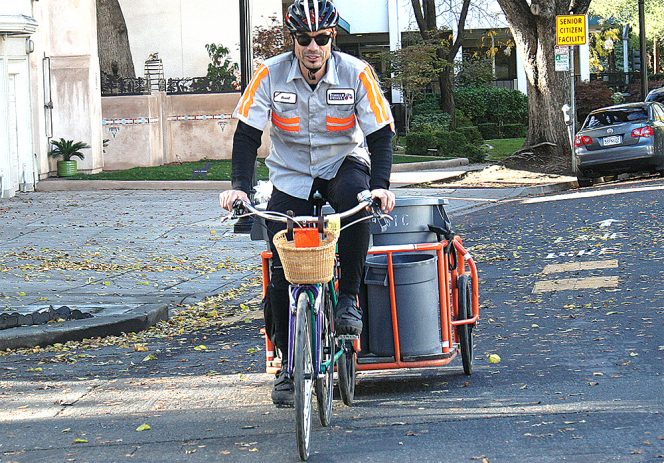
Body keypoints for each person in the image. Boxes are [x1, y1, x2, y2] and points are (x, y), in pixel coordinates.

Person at [219, 0, 395, 407]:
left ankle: (348, 299)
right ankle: (286, 363)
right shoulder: (269, 74)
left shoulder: (357, 73)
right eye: (304, 39)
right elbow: (246, 136)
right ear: (293, 40)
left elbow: (381, 135)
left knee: (358, 203)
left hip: (341, 164)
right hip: (291, 173)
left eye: (321, 38)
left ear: (332, 38)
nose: (312, 47)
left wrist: (382, 187)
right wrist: (240, 188)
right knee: (281, 274)